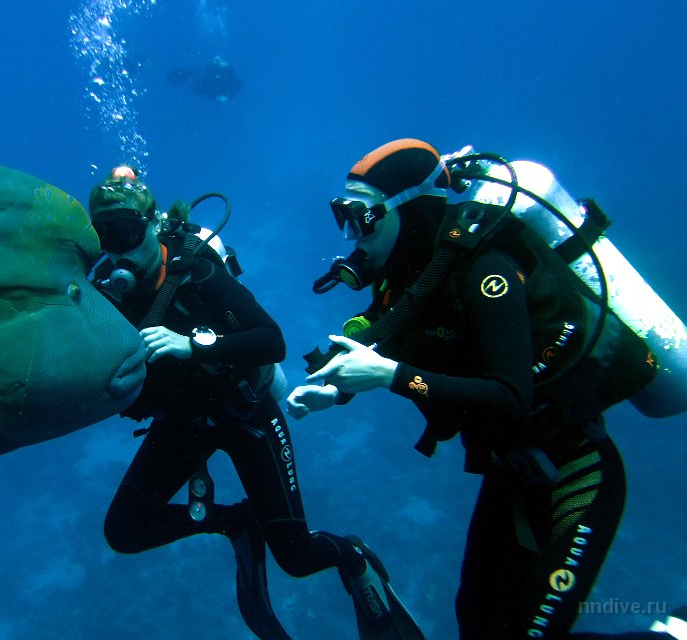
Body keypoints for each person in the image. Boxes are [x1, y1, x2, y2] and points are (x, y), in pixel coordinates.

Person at [287, 139, 687, 639]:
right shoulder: (409, 278)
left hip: (573, 467)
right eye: (343, 216)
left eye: (362, 217)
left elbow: (511, 396)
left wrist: (390, 377)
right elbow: (390, 335)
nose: (352, 235)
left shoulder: (486, 270)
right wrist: (338, 391)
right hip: (510, 471)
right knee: (476, 623)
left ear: (410, 210)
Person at [88, 165, 423, 640]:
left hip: (247, 413)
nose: (117, 248)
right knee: (124, 531)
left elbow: (272, 341)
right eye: (104, 235)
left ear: (152, 224)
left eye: (127, 231)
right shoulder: (102, 291)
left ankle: (353, 557)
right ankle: (236, 522)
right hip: (182, 423)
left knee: (297, 557)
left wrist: (192, 347)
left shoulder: (196, 270)